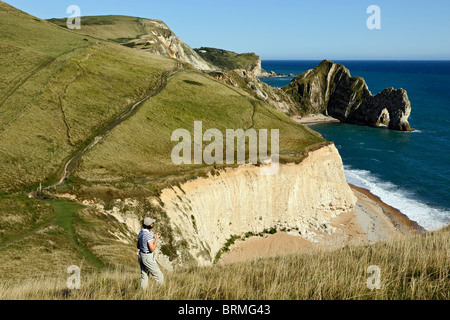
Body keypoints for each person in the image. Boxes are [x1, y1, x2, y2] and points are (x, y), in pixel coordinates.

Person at [137, 217, 164, 288]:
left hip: (141, 255)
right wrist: (156, 240)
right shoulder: (148, 235)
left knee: (144, 276)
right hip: (147, 257)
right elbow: (152, 249)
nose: (153, 224)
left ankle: (143, 294)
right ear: (150, 225)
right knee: (159, 276)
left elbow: (138, 246)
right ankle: (159, 292)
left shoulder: (141, 232)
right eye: (152, 223)